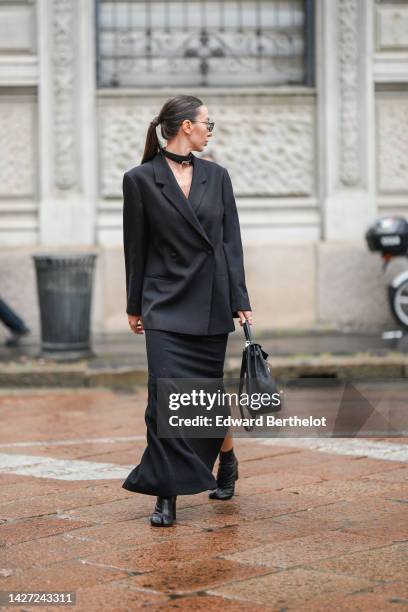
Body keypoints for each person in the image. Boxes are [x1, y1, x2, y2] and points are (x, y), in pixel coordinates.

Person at [121, 95, 253, 527]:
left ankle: (226, 460)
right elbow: (136, 248)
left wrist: (241, 300)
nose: (210, 130)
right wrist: (134, 303)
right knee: (166, 400)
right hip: (164, 304)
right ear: (185, 127)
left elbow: (230, 242)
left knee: (203, 397)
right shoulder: (140, 179)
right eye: (207, 123)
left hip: (211, 301)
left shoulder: (218, 177)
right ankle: (166, 495)